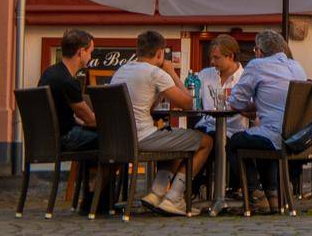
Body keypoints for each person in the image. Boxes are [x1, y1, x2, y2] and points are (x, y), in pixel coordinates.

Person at [110, 30, 211, 216]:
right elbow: (188, 103)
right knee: (205, 141)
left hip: (119, 140)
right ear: (159, 53)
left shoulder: (121, 71)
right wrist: (172, 72)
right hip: (143, 138)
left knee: (176, 137)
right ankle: (174, 197)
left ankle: (156, 193)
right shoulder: (155, 73)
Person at [226, 29, 307, 214]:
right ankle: (274, 196)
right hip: (297, 136)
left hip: (276, 136)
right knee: (259, 138)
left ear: (259, 51)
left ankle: (256, 194)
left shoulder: (257, 65)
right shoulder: (297, 67)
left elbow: (236, 102)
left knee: (235, 142)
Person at [37, 28, 99, 151]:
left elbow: (64, 114)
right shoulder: (68, 81)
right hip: (65, 138)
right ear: (81, 52)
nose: (90, 57)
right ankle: (103, 171)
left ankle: (86, 171)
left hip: (46, 137)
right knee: (114, 141)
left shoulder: (49, 73)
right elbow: (90, 120)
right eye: (90, 52)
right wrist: (112, 122)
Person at [195, 35, 246, 135]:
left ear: (231, 56)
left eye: (216, 58)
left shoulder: (245, 78)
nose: (212, 62)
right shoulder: (205, 74)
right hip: (205, 128)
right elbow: (190, 99)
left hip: (233, 132)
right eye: (211, 57)